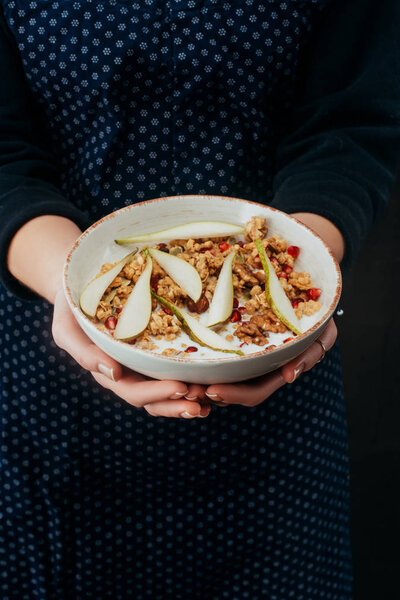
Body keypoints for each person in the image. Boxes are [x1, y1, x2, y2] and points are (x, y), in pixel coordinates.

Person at [0, 0, 399, 597]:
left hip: (275, 401)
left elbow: (352, 123)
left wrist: (296, 278)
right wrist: (73, 287)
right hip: (51, 391)